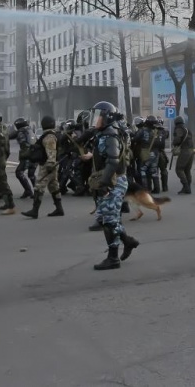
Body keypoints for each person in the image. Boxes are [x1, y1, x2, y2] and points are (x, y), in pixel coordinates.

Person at [86, 101, 139, 270]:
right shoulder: (106, 132)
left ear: (107, 117)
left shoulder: (110, 135)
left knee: (109, 221)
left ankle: (113, 258)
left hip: (114, 181)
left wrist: (104, 183)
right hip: (113, 180)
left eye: (98, 116)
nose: (96, 120)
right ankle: (127, 241)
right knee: (108, 218)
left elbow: (113, 160)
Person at [22, 115, 63, 218]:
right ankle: (59, 209)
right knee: (53, 186)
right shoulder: (50, 135)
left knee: (39, 186)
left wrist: (50, 165)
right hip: (51, 164)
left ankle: (34, 210)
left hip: (48, 165)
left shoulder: (49, 136)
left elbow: (51, 152)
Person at [13, 117, 36, 199]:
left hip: (27, 155)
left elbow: (23, 143)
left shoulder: (21, 132)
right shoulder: (30, 130)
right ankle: (37, 191)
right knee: (31, 174)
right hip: (35, 155)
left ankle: (28, 190)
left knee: (19, 172)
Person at [172, 116, 194, 194]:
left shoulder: (179, 129)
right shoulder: (187, 129)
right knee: (187, 170)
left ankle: (186, 187)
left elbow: (177, 139)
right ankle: (188, 187)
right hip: (191, 151)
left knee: (179, 169)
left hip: (185, 151)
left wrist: (174, 142)